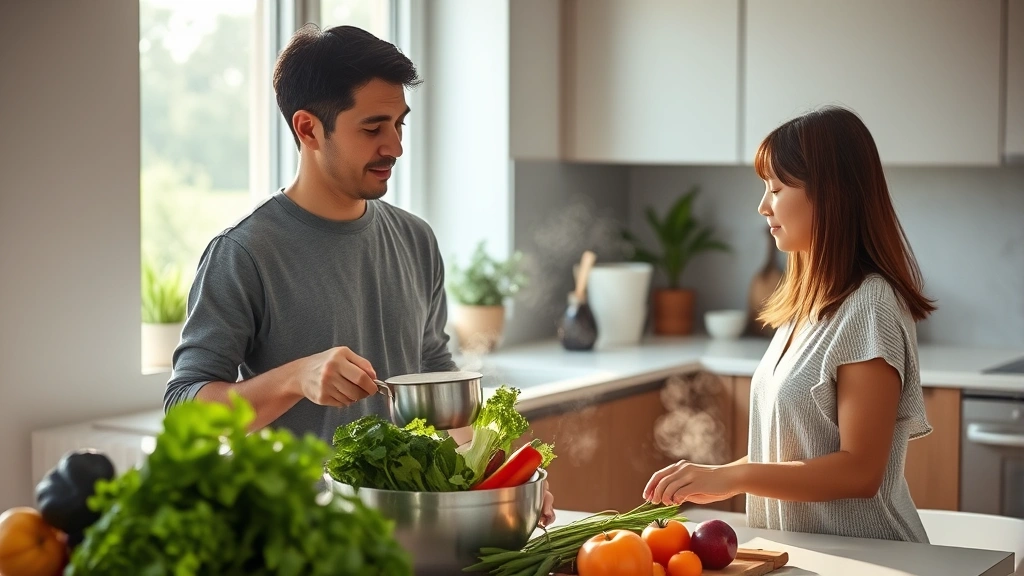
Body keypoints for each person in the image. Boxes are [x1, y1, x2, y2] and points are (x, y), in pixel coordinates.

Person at [163, 24, 554, 524]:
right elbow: (184, 413)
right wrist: (294, 379)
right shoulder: (243, 253)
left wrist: (503, 474)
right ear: (307, 129)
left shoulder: (415, 239)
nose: (395, 147)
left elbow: (433, 375)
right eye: (373, 128)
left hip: (407, 532)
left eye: (399, 124)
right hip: (299, 541)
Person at [644, 106, 936, 543]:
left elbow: (860, 470)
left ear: (830, 194)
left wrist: (735, 476)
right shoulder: (807, 305)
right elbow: (795, 448)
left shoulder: (869, 307)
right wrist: (720, 476)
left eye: (777, 188)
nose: (763, 206)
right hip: (806, 554)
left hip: (873, 559)